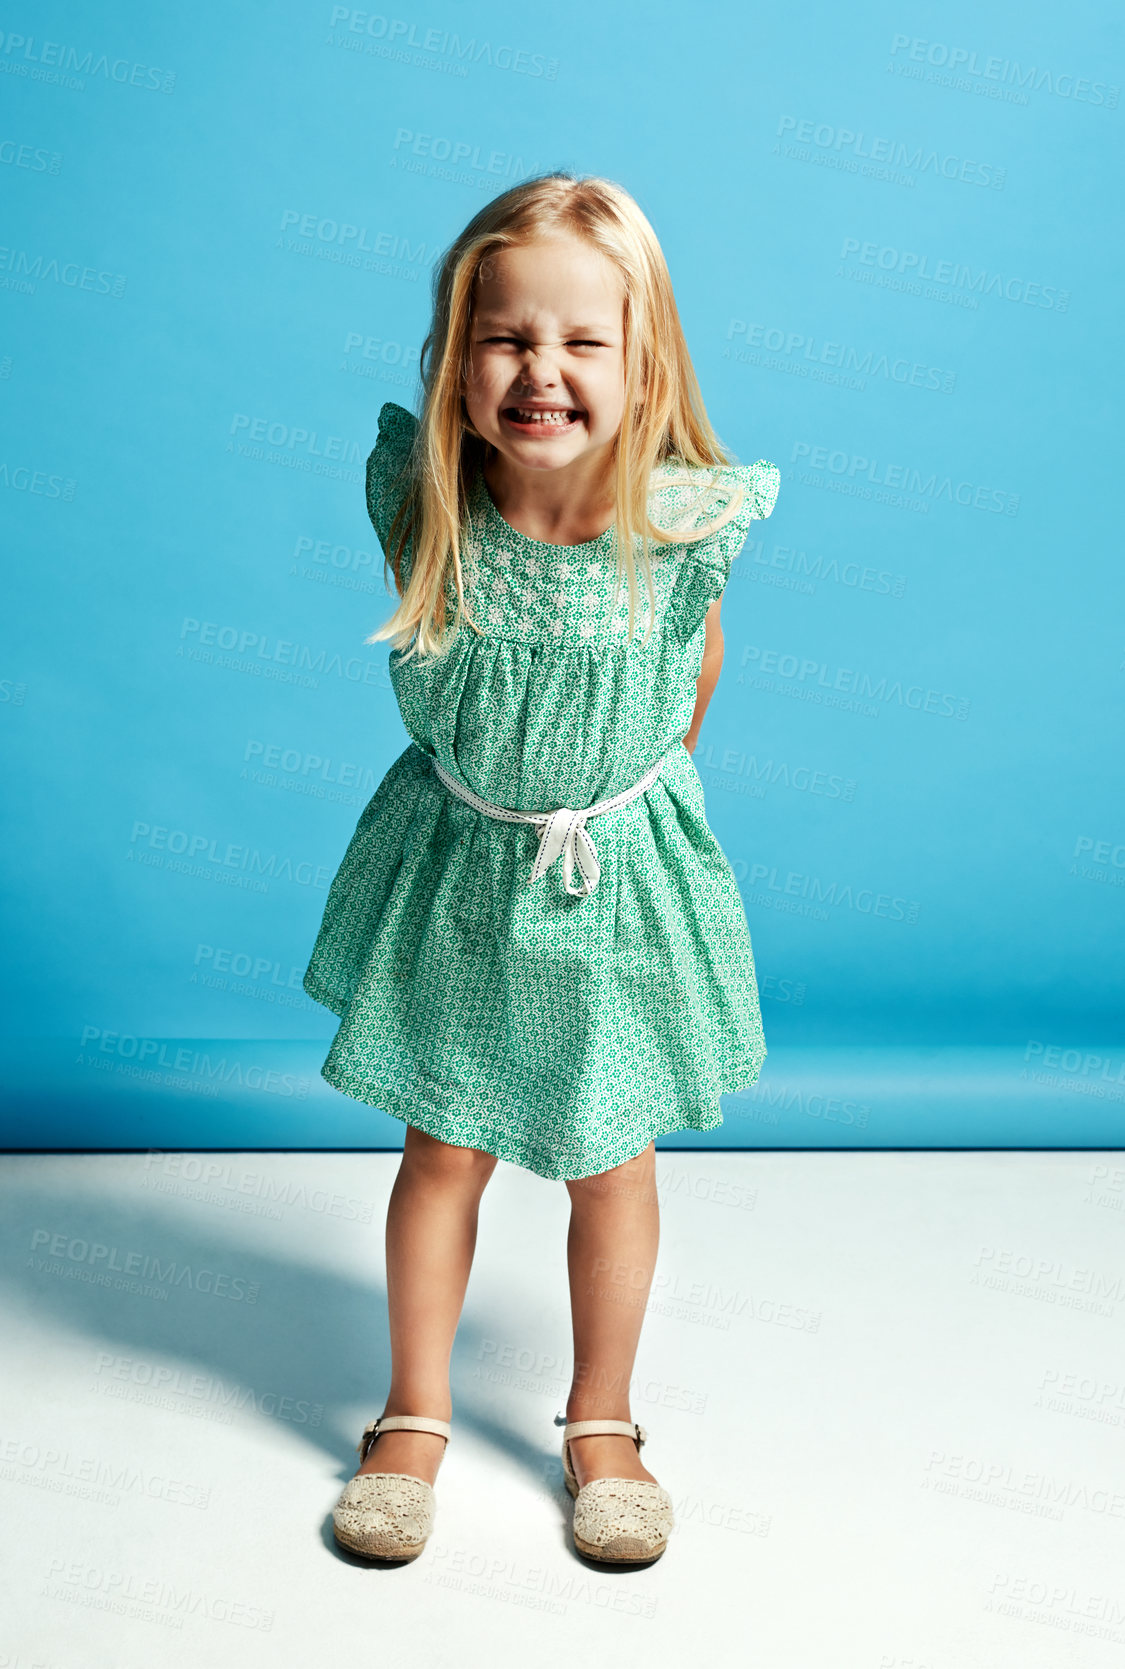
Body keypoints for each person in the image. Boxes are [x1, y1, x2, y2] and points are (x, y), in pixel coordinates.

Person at [303, 171, 780, 1567]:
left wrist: (615, 811)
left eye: (582, 342)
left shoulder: (685, 525)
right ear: (459, 361)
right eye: (507, 338)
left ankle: (602, 1419)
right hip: (459, 869)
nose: (542, 371)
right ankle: (410, 1412)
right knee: (440, 1145)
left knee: (609, 1157)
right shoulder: (425, 503)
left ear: (642, 363)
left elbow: (690, 678)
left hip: (609, 880)